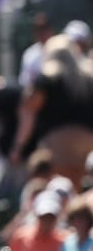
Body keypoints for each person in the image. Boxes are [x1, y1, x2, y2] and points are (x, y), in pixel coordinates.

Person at [10, 34, 93, 187]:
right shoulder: (88, 77)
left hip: (57, 142)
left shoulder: (46, 78)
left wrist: (18, 147)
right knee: (80, 188)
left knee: (59, 189)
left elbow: (28, 114)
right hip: (88, 142)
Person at [18, 13, 54, 88]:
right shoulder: (30, 54)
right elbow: (25, 83)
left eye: (44, 28)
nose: (42, 33)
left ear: (51, 29)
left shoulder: (61, 50)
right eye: (38, 29)